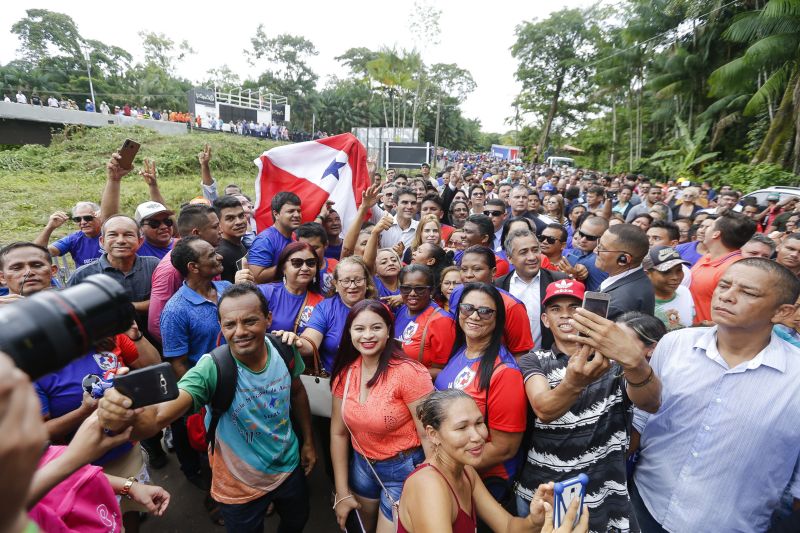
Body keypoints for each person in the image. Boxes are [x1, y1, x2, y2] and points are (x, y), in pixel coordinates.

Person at [98, 284, 316, 533]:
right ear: (221, 326)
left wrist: (308, 441)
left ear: (268, 319)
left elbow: (297, 392)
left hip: (289, 467)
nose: (240, 332)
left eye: (250, 321)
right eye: (230, 324)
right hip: (239, 486)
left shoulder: (282, 348)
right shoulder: (212, 368)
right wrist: (121, 414)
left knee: (297, 521)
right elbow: (158, 416)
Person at [630, 258, 800, 532]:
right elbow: (641, 419)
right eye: (724, 285)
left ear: (782, 311)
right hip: (644, 506)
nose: (727, 296)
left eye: (748, 292)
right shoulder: (675, 344)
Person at [516, 279, 661, 533]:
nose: (565, 316)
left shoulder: (614, 360)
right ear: (545, 320)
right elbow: (544, 408)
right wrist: (574, 382)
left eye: (574, 307)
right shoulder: (534, 360)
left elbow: (650, 402)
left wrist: (635, 361)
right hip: (546, 491)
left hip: (604, 491)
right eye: (555, 309)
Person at [399, 389, 589, 533]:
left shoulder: (467, 472)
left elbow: (507, 526)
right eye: (462, 427)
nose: (477, 436)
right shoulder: (427, 485)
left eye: (479, 423)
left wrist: (535, 520)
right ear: (433, 434)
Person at [328, 300, 434, 533]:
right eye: (359, 328)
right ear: (349, 333)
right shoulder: (345, 373)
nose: (367, 335)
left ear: (389, 330)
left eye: (376, 327)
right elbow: (338, 432)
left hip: (404, 468)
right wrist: (342, 492)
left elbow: (428, 435)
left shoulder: (409, 372)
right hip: (362, 464)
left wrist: (433, 486)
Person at [434, 283, 526, 516]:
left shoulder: (505, 372)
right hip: (455, 471)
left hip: (485, 484)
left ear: (499, 319)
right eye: (467, 308)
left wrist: (445, 468)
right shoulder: (462, 350)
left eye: (485, 311)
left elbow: (504, 449)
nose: (474, 316)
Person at [68, 215, 160, 328]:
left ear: (140, 241)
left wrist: (118, 308)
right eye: (113, 235)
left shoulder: (154, 266)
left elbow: (164, 302)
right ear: (102, 241)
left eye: (128, 235)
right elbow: (71, 316)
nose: (120, 241)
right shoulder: (82, 275)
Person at [147, 204, 221, 342]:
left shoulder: (212, 258)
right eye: (215, 227)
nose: (221, 231)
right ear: (196, 234)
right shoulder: (169, 271)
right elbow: (156, 324)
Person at [295, 256, 377, 373]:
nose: (352, 286)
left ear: (366, 282)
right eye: (346, 281)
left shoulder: (379, 309)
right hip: (335, 382)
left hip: (373, 379)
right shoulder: (325, 308)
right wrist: (294, 342)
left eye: (358, 280)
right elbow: (310, 344)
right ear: (336, 284)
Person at [452, 246, 534, 359]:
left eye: (477, 269)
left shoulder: (512, 306)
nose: (468, 275)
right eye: (464, 269)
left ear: (493, 271)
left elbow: (521, 353)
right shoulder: (457, 293)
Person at [495, 229, 568, 351]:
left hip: (549, 360)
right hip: (511, 359)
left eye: (535, 250)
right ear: (510, 258)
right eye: (523, 252)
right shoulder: (499, 286)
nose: (532, 257)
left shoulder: (558, 281)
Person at [238, 241, 324, 335]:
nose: (305, 268)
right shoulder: (265, 293)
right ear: (283, 267)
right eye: (297, 262)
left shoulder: (322, 303)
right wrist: (241, 291)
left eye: (310, 263)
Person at [689, 210, 755, 324]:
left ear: (716, 234)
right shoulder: (707, 257)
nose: (705, 230)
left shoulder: (734, 269)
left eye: (710, 226)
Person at [394, 265, 456, 378]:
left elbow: (445, 370)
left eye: (420, 289)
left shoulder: (442, 321)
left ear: (431, 290)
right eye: (406, 288)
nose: (412, 293)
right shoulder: (403, 309)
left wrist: (406, 376)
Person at [596, 223, 655, 319]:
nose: (596, 250)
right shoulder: (639, 278)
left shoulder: (616, 304)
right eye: (599, 245)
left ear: (624, 259)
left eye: (603, 248)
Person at [248, 192, 302, 283]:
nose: (297, 215)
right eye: (291, 211)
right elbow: (256, 277)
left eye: (299, 211)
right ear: (276, 214)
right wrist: (289, 264)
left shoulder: (294, 236)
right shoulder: (265, 240)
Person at [33, 202, 104, 266]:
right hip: (85, 280)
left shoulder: (110, 234)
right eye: (78, 219)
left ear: (99, 216)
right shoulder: (74, 239)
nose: (83, 222)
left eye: (88, 218)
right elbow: (37, 252)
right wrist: (49, 227)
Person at [644, 246, 695, 330]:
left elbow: (688, 325)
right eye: (666, 272)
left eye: (679, 270)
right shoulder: (639, 301)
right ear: (647, 274)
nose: (675, 277)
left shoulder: (684, 292)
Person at [565, 216, 609, 291]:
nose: (582, 240)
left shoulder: (598, 262)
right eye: (581, 234)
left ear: (603, 238)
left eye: (590, 238)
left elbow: (598, 296)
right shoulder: (576, 251)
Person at [212, 195, 248, 283]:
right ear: (218, 223)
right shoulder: (220, 254)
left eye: (241, 216)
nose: (239, 222)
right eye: (230, 218)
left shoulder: (239, 242)